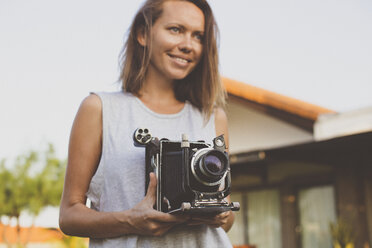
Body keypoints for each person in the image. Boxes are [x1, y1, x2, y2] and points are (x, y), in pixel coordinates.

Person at [59, 0, 235, 247]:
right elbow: (69, 216)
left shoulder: (213, 117)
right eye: (175, 29)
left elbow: (227, 217)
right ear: (143, 34)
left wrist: (221, 214)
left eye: (198, 36)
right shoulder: (99, 109)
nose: (188, 45)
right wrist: (130, 220)